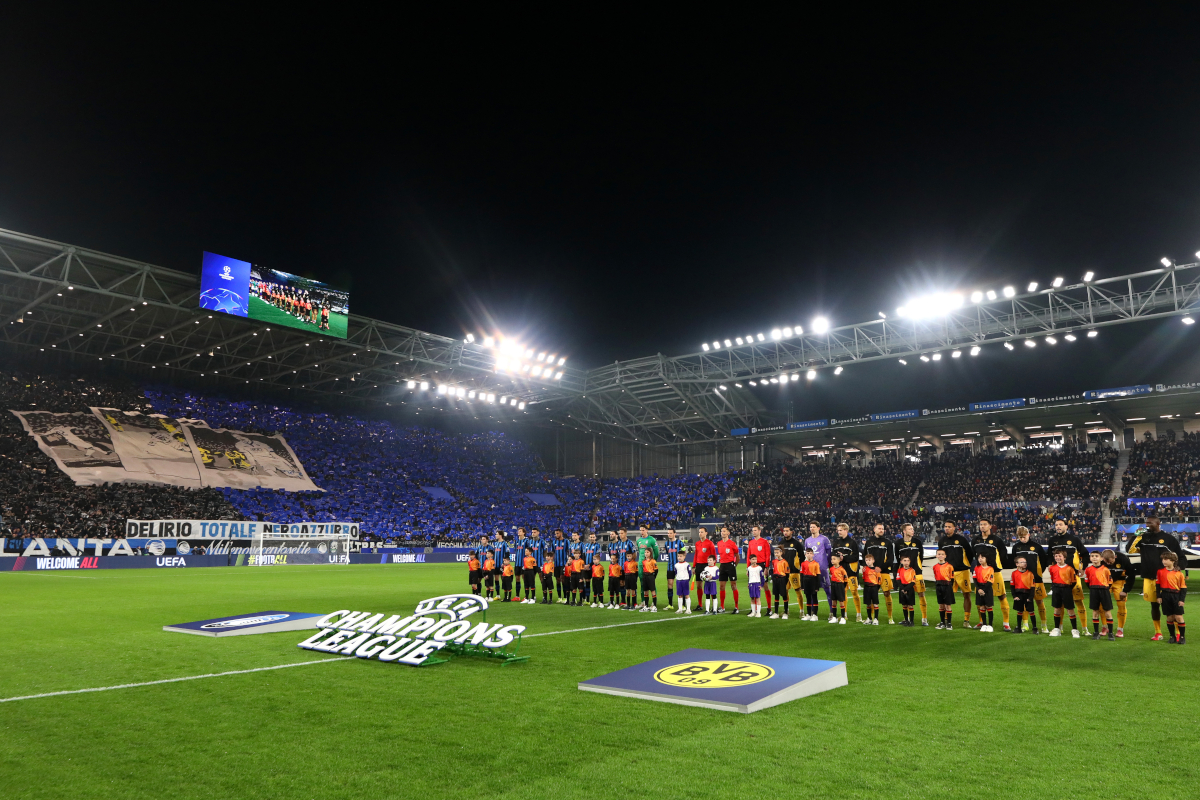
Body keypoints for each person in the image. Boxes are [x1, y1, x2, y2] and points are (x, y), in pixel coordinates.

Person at [1128, 517, 1186, 641]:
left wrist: (1177, 568)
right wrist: (1137, 536)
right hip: (1149, 578)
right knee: (1154, 606)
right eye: (1146, 523)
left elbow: (1181, 557)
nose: (1147, 525)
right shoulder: (1143, 538)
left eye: (1150, 523)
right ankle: (1158, 632)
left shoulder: (1168, 539)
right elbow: (1129, 550)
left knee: (1172, 606)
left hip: (1166, 578)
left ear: (1158, 523)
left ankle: (1177, 633)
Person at [1046, 518, 1092, 634]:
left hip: (1073, 577)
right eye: (1056, 525)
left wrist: (1083, 568)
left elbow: (1085, 554)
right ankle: (1059, 628)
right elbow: (1049, 556)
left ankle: (1084, 628)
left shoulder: (1074, 540)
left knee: (1078, 602)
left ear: (1066, 526)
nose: (1058, 527)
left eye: (1060, 524)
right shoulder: (1052, 540)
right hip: (1058, 579)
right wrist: (1049, 565)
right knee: (1059, 604)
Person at [973, 519, 1011, 631]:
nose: (982, 526)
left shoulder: (997, 540)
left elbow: (1003, 554)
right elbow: (973, 554)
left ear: (990, 526)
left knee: (1002, 596)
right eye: (981, 525)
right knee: (980, 596)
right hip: (980, 572)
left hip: (995, 573)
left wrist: (996, 565)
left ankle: (1006, 622)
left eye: (985, 524)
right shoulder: (976, 540)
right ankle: (982, 622)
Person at [1011, 526, 1051, 633]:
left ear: (1029, 534)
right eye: (1020, 537)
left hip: (1036, 579)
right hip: (1022, 580)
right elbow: (1014, 561)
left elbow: (1044, 561)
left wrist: (1039, 573)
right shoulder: (1016, 547)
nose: (1022, 539)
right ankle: (1025, 624)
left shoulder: (1037, 547)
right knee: (1023, 603)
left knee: (1039, 602)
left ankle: (1044, 625)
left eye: (1024, 537)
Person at [938, 521, 975, 629]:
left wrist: (964, 564)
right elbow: (941, 556)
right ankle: (946, 620)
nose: (947, 528)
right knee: (946, 596)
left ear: (954, 528)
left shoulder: (962, 539)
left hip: (963, 571)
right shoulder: (942, 541)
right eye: (945, 527)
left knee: (966, 595)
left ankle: (966, 620)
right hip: (948, 573)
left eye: (949, 527)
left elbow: (970, 553)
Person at [895, 523, 928, 626]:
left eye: (912, 529)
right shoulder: (898, 543)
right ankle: (907, 619)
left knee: (921, 595)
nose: (912, 531)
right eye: (910, 529)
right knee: (905, 597)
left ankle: (924, 619)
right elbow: (898, 558)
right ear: (904, 531)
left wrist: (917, 568)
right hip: (904, 575)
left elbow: (921, 557)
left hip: (917, 574)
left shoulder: (917, 542)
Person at [864, 523, 896, 624]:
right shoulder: (869, 542)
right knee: (872, 595)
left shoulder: (888, 542)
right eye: (879, 528)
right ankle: (872, 618)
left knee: (887, 593)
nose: (881, 530)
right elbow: (865, 557)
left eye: (883, 528)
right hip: (871, 574)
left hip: (884, 572)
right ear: (874, 529)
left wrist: (881, 568)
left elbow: (891, 558)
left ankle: (890, 617)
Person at [832, 522, 863, 622]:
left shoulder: (852, 543)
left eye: (840, 530)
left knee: (854, 593)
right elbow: (833, 556)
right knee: (843, 594)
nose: (839, 532)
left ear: (846, 530)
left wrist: (843, 557)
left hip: (851, 572)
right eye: (838, 530)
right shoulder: (836, 543)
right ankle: (844, 614)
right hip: (840, 573)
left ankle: (859, 614)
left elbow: (856, 557)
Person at [1048, 548, 1081, 638]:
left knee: (1070, 609)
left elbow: (1073, 581)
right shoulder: (1052, 568)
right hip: (1056, 589)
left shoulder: (1069, 568)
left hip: (1066, 589)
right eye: (1056, 556)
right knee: (1057, 609)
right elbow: (1053, 578)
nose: (1058, 557)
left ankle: (1075, 630)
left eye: (1060, 556)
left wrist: (1067, 588)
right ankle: (1056, 629)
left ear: (1064, 557)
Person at [1102, 548, 1135, 638]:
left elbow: (1131, 575)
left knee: (1121, 605)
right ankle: (1105, 627)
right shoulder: (1101, 561)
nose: (1108, 564)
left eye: (1110, 561)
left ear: (1115, 557)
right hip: (1105, 583)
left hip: (1119, 583)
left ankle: (1120, 629)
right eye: (1106, 562)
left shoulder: (1123, 559)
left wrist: (1125, 590)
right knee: (1102, 606)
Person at [1083, 550, 1115, 641]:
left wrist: (1104, 589)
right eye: (1092, 556)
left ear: (1101, 558)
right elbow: (1087, 582)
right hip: (1094, 591)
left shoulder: (1105, 569)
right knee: (1095, 612)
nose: (1094, 558)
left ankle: (1111, 633)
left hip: (1104, 591)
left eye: (1096, 556)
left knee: (1107, 612)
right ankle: (1096, 632)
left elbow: (1110, 582)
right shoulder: (1088, 570)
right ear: (1090, 558)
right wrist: (1093, 589)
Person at [805, 522, 834, 620]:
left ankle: (832, 612)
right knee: (813, 592)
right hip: (811, 570)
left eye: (813, 527)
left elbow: (829, 553)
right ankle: (813, 613)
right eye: (810, 527)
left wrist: (827, 565)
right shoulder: (807, 540)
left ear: (818, 528)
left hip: (822, 568)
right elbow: (807, 554)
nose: (812, 528)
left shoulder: (824, 539)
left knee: (827, 590)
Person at [1158, 551, 1187, 644]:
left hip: (1176, 596)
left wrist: (1182, 599)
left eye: (1166, 559)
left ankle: (1182, 637)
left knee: (1178, 617)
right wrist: (1159, 596)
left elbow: (1183, 587)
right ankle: (1172, 636)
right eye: (1162, 559)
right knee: (1169, 617)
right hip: (1165, 596)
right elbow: (1157, 585)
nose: (1163, 561)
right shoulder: (1160, 572)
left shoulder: (1179, 574)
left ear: (1173, 561)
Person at [745, 525, 774, 614]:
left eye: (755, 530)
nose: (753, 532)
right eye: (752, 530)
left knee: (765, 586)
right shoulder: (751, 542)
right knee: (752, 586)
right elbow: (748, 556)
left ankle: (769, 608)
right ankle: (754, 609)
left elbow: (767, 555)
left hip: (761, 565)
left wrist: (767, 567)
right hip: (752, 566)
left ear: (759, 531)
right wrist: (747, 568)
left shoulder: (765, 542)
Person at [777, 526, 805, 613]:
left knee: (798, 590)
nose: (785, 532)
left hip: (794, 571)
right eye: (784, 531)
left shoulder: (796, 544)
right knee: (785, 591)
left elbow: (802, 557)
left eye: (787, 531)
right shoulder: (781, 543)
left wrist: (799, 567)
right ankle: (786, 610)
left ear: (791, 532)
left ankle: (802, 610)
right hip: (784, 572)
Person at [1010, 556, 1038, 635]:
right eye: (1022, 562)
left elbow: (1032, 587)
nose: (1024, 564)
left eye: (1025, 562)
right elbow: (1012, 586)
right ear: (1017, 564)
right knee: (1019, 611)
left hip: (1028, 594)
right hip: (1018, 594)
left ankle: (1035, 628)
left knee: (1031, 611)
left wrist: (1030, 597)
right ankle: (1018, 627)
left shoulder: (1030, 573)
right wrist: (1014, 596)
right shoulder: (1014, 573)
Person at [692, 527, 718, 611]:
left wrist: (713, 566)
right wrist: (693, 566)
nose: (700, 533)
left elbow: (714, 556)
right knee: (699, 586)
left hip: (707, 566)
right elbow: (696, 555)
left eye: (702, 532)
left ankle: (712, 606)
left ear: (706, 533)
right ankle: (700, 605)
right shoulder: (697, 543)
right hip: (699, 565)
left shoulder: (710, 543)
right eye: (699, 532)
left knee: (709, 585)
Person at [716, 527, 740, 614]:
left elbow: (737, 556)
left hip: (730, 565)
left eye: (724, 531)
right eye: (721, 531)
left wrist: (734, 565)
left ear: (728, 533)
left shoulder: (732, 543)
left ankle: (736, 607)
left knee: (733, 586)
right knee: (721, 587)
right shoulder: (719, 543)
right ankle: (722, 607)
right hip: (722, 566)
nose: (722, 533)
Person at [635, 525, 660, 608]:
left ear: (647, 530)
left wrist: (652, 562)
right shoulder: (638, 541)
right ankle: (643, 602)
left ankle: (653, 603)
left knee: (652, 583)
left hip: (649, 565)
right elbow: (640, 552)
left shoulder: (652, 539)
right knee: (642, 583)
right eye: (640, 530)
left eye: (643, 530)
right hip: (641, 565)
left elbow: (656, 551)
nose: (642, 532)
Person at [933, 550, 956, 630]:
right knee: (941, 605)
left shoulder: (949, 566)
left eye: (942, 554)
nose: (940, 556)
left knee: (948, 605)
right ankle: (942, 622)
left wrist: (949, 587)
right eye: (939, 554)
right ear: (936, 555)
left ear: (945, 556)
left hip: (947, 586)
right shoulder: (935, 566)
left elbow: (952, 578)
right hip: (939, 586)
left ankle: (949, 623)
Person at [662, 528, 685, 609]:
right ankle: (670, 604)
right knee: (670, 585)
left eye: (671, 533)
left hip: (680, 568)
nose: (669, 535)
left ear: (675, 534)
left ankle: (683, 605)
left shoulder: (680, 543)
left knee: (681, 585)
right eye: (668, 533)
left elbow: (684, 553)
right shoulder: (666, 543)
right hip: (670, 567)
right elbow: (667, 553)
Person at [972, 553, 995, 632]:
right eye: (979, 557)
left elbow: (990, 580)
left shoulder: (990, 568)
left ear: (987, 558)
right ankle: (984, 624)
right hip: (979, 588)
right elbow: (974, 579)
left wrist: (984, 590)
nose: (980, 559)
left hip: (987, 589)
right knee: (981, 607)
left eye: (982, 557)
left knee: (988, 606)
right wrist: (978, 589)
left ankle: (990, 625)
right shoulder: (976, 568)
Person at [800, 548, 823, 621]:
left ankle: (815, 615)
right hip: (806, 581)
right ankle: (809, 614)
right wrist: (802, 585)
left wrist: (817, 586)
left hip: (813, 580)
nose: (809, 555)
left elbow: (818, 575)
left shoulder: (816, 563)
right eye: (807, 553)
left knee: (814, 597)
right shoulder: (803, 564)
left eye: (810, 553)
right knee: (808, 598)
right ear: (805, 554)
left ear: (813, 554)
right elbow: (801, 575)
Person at [896, 556, 918, 627]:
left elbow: (913, 582)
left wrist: (905, 589)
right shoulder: (899, 570)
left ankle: (911, 621)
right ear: (901, 562)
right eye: (904, 560)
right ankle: (906, 620)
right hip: (902, 588)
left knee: (910, 605)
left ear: (910, 562)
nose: (906, 562)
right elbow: (898, 580)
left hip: (909, 589)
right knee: (904, 605)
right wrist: (902, 588)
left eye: (908, 561)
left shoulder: (912, 570)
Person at [861, 552, 882, 625]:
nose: (868, 562)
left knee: (875, 603)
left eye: (869, 560)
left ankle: (876, 619)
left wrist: (877, 587)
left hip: (874, 587)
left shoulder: (877, 569)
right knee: (868, 604)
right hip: (867, 587)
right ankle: (869, 618)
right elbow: (863, 577)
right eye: (866, 560)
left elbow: (879, 579)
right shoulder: (864, 569)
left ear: (873, 561)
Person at [770, 546, 790, 619]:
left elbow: (787, 573)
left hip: (782, 579)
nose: (776, 554)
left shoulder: (785, 562)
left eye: (777, 552)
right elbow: (773, 570)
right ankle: (776, 613)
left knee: (784, 596)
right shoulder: (774, 561)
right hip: (776, 579)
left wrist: (785, 581)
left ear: (781, 553)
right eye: (775, 552)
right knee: (776, 596)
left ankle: (785, 613)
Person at [828, 553, 848, 623]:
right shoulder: (831, 569)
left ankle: (843, 618)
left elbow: (846, 579)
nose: (832, 560)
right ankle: (834, 617)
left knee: (841, 601)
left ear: (839, 560)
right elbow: (831, 575)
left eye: (834, 559)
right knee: (833, 601)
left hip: (840, 585)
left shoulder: (842, 569)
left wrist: (843, 586)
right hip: (833, 585)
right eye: (831, 559)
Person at [552, 529, 570, 603]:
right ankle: (559, 597)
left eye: (558, 533)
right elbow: (553, 552)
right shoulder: (554, 542)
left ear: (561, 533)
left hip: (564, 564)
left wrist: (568, 562)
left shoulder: (566, 541)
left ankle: (565, 597)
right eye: (555, 533)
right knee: (558, 580)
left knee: (563, 580)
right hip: (556, 564)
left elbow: (569, 551)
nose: (556, 535)